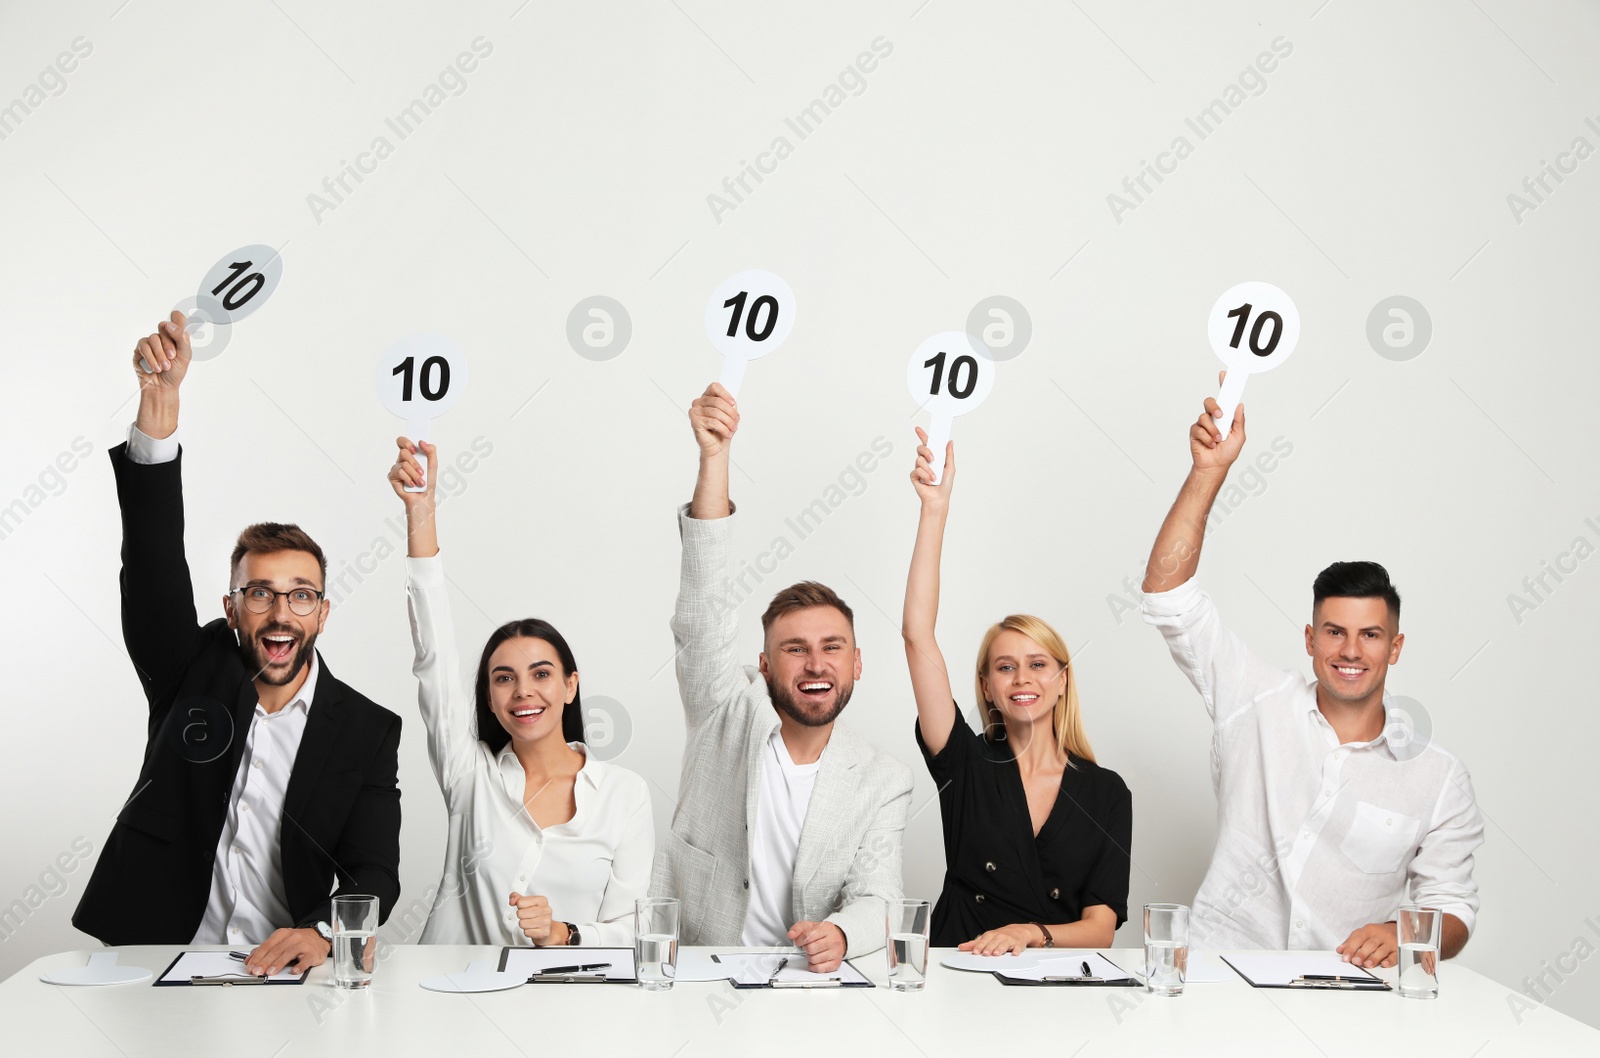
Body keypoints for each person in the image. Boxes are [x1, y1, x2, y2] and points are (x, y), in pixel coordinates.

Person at [74, 311, 402, 977]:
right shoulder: (186, 668)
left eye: (301, 594)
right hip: (152, 961)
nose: (281, 611)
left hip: (281, 969)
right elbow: (156, 561)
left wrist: (323, 934)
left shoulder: (367, 729)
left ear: (323, 612)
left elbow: (375, 871)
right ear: (232, 609)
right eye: (260, 593)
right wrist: (159, 408)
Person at [1140, 380, 1483, 967]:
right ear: (1310, 639)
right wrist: (1208, 473)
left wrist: (1406, 932)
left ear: (1394, 647)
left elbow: (1452, 907)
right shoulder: (1254, 700)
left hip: (1344, 998)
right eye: (1335, 631)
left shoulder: (1438, 777)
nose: (1351, 650)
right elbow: (1169, 594)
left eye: (1370, 635)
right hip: (1216, 981)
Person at [650, 383, 913, 973]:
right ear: (764, 665)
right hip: (694, 974)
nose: (816, 664)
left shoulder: (882, 780)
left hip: (804, 988)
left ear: (857, 663)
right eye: (794, 649)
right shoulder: (723, 709)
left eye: (832, 648)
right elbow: (704, 609)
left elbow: (880, 896)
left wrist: (842, 935)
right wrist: (714, 459)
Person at [388, 438, 653, 946]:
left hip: (566, 1006)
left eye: (541, 674)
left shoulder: (625, 795)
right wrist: (422, 514)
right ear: (489, 698)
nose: (523, 692)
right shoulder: (470, 776)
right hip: (456, 1002)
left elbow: (634, 929)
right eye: (503, 678)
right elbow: (434, 661)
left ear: (571, 685)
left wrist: (565, 933)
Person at [902, 431, 1131, 954]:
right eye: (1005, 667)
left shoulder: (1106, 792)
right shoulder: (964, 762)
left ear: (1062, 680)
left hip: (1054, 987)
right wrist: (935, 511)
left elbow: (1100, 930)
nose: (1022, 678)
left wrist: (1030, 934)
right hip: (957, 974)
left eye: (1037, 664)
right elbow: (917, 635)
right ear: (987, 685)